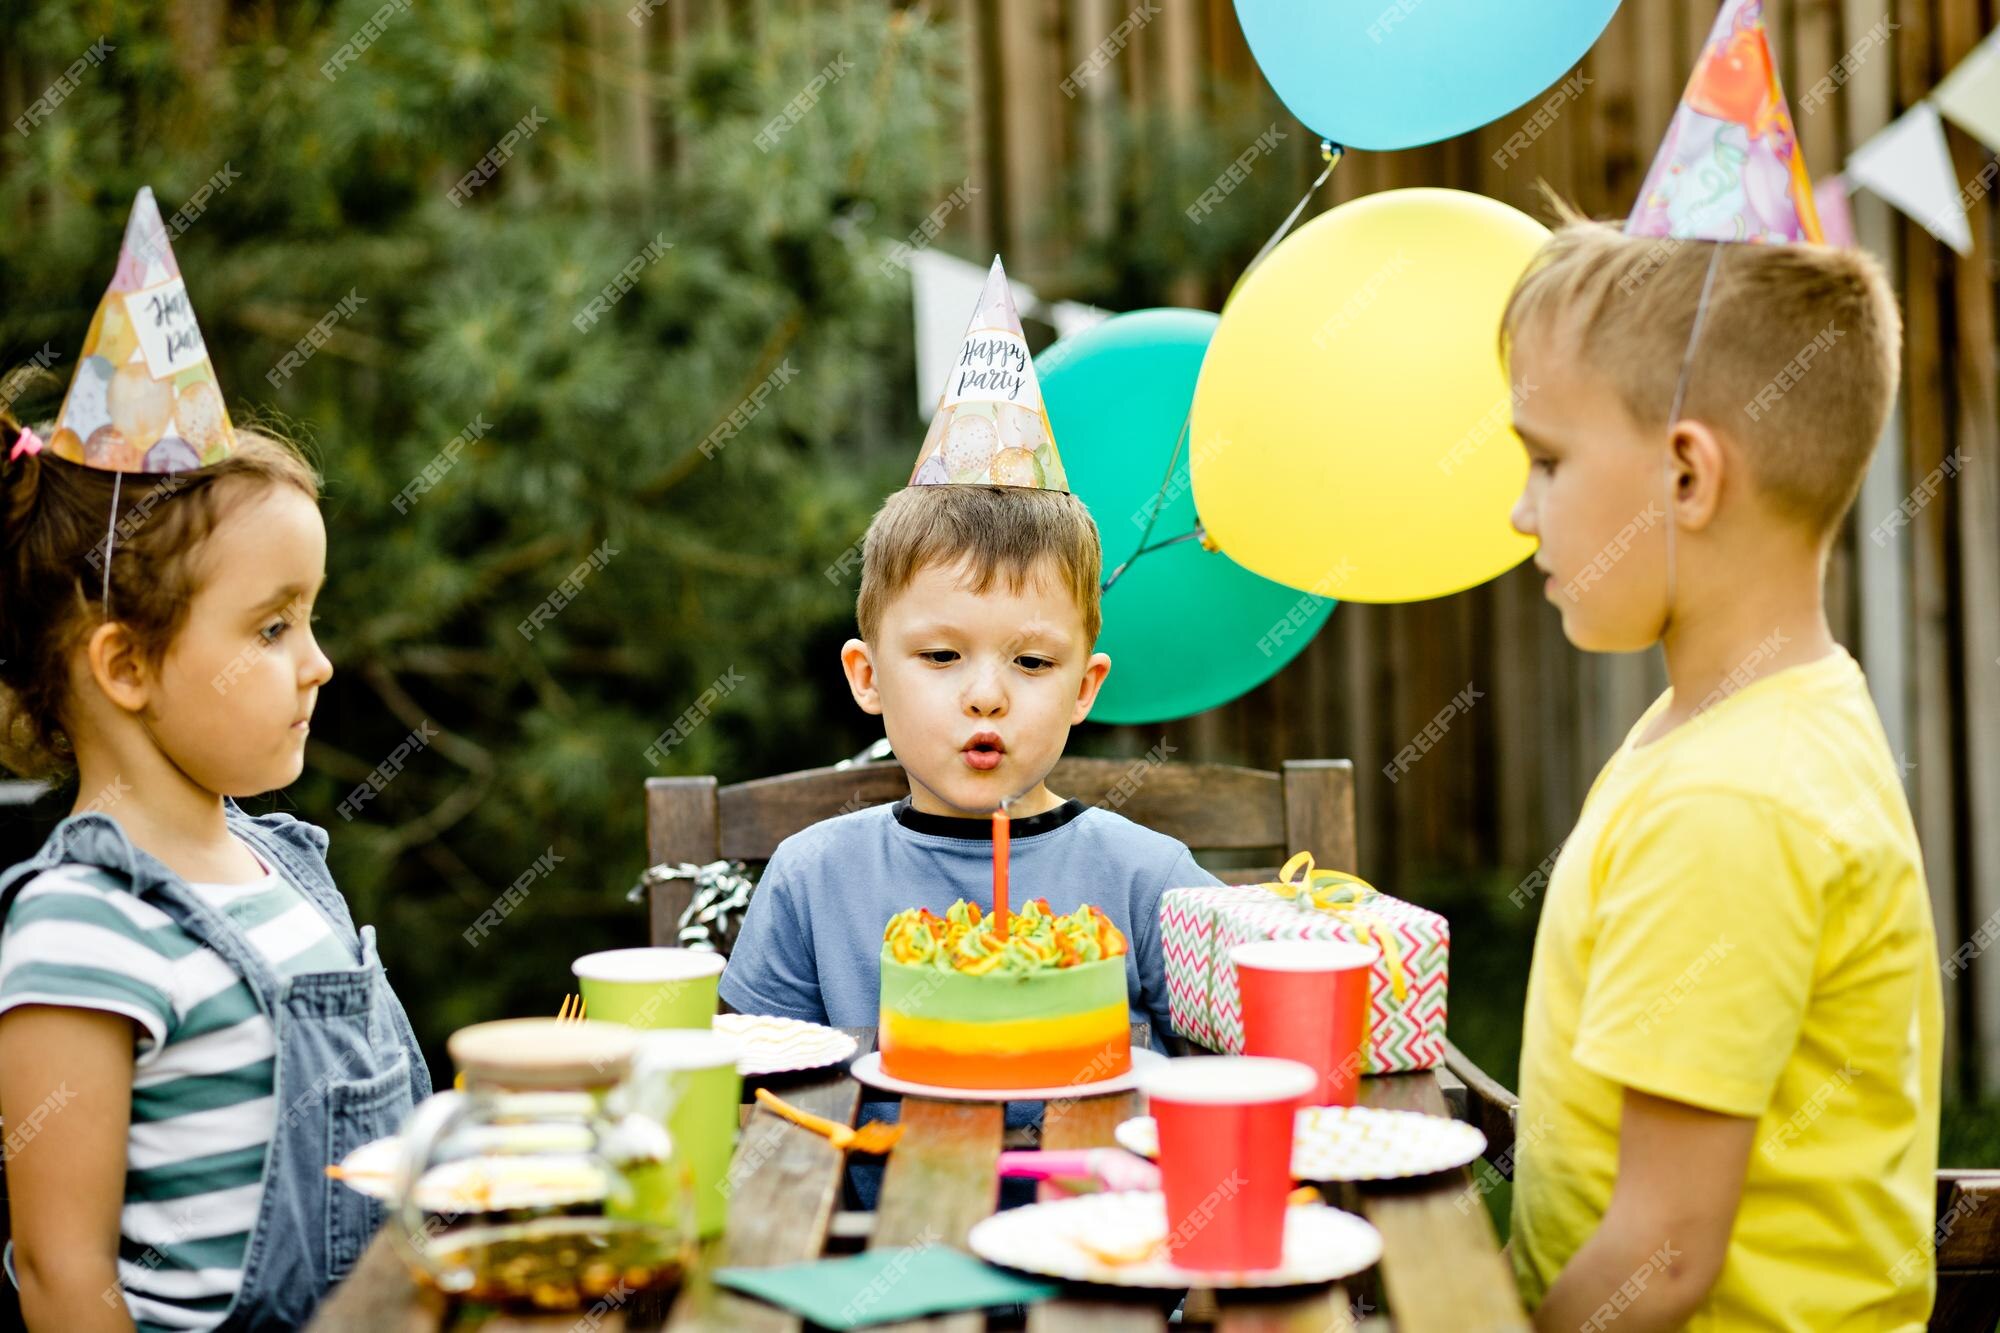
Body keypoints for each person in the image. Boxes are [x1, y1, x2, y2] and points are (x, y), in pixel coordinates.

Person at [1502, 210, 1941, 1330]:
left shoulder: (1729, 800)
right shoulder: (1741, 723)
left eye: (1544, 461)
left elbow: (1660, 1255)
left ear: (1687, 474)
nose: (1518, 510)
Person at [0, 186, 428, 1333]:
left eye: (311, 617)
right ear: (126, 666)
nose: (320, 663)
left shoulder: (282, 867)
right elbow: (60, 1276)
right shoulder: (79, 928)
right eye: (273, 626)